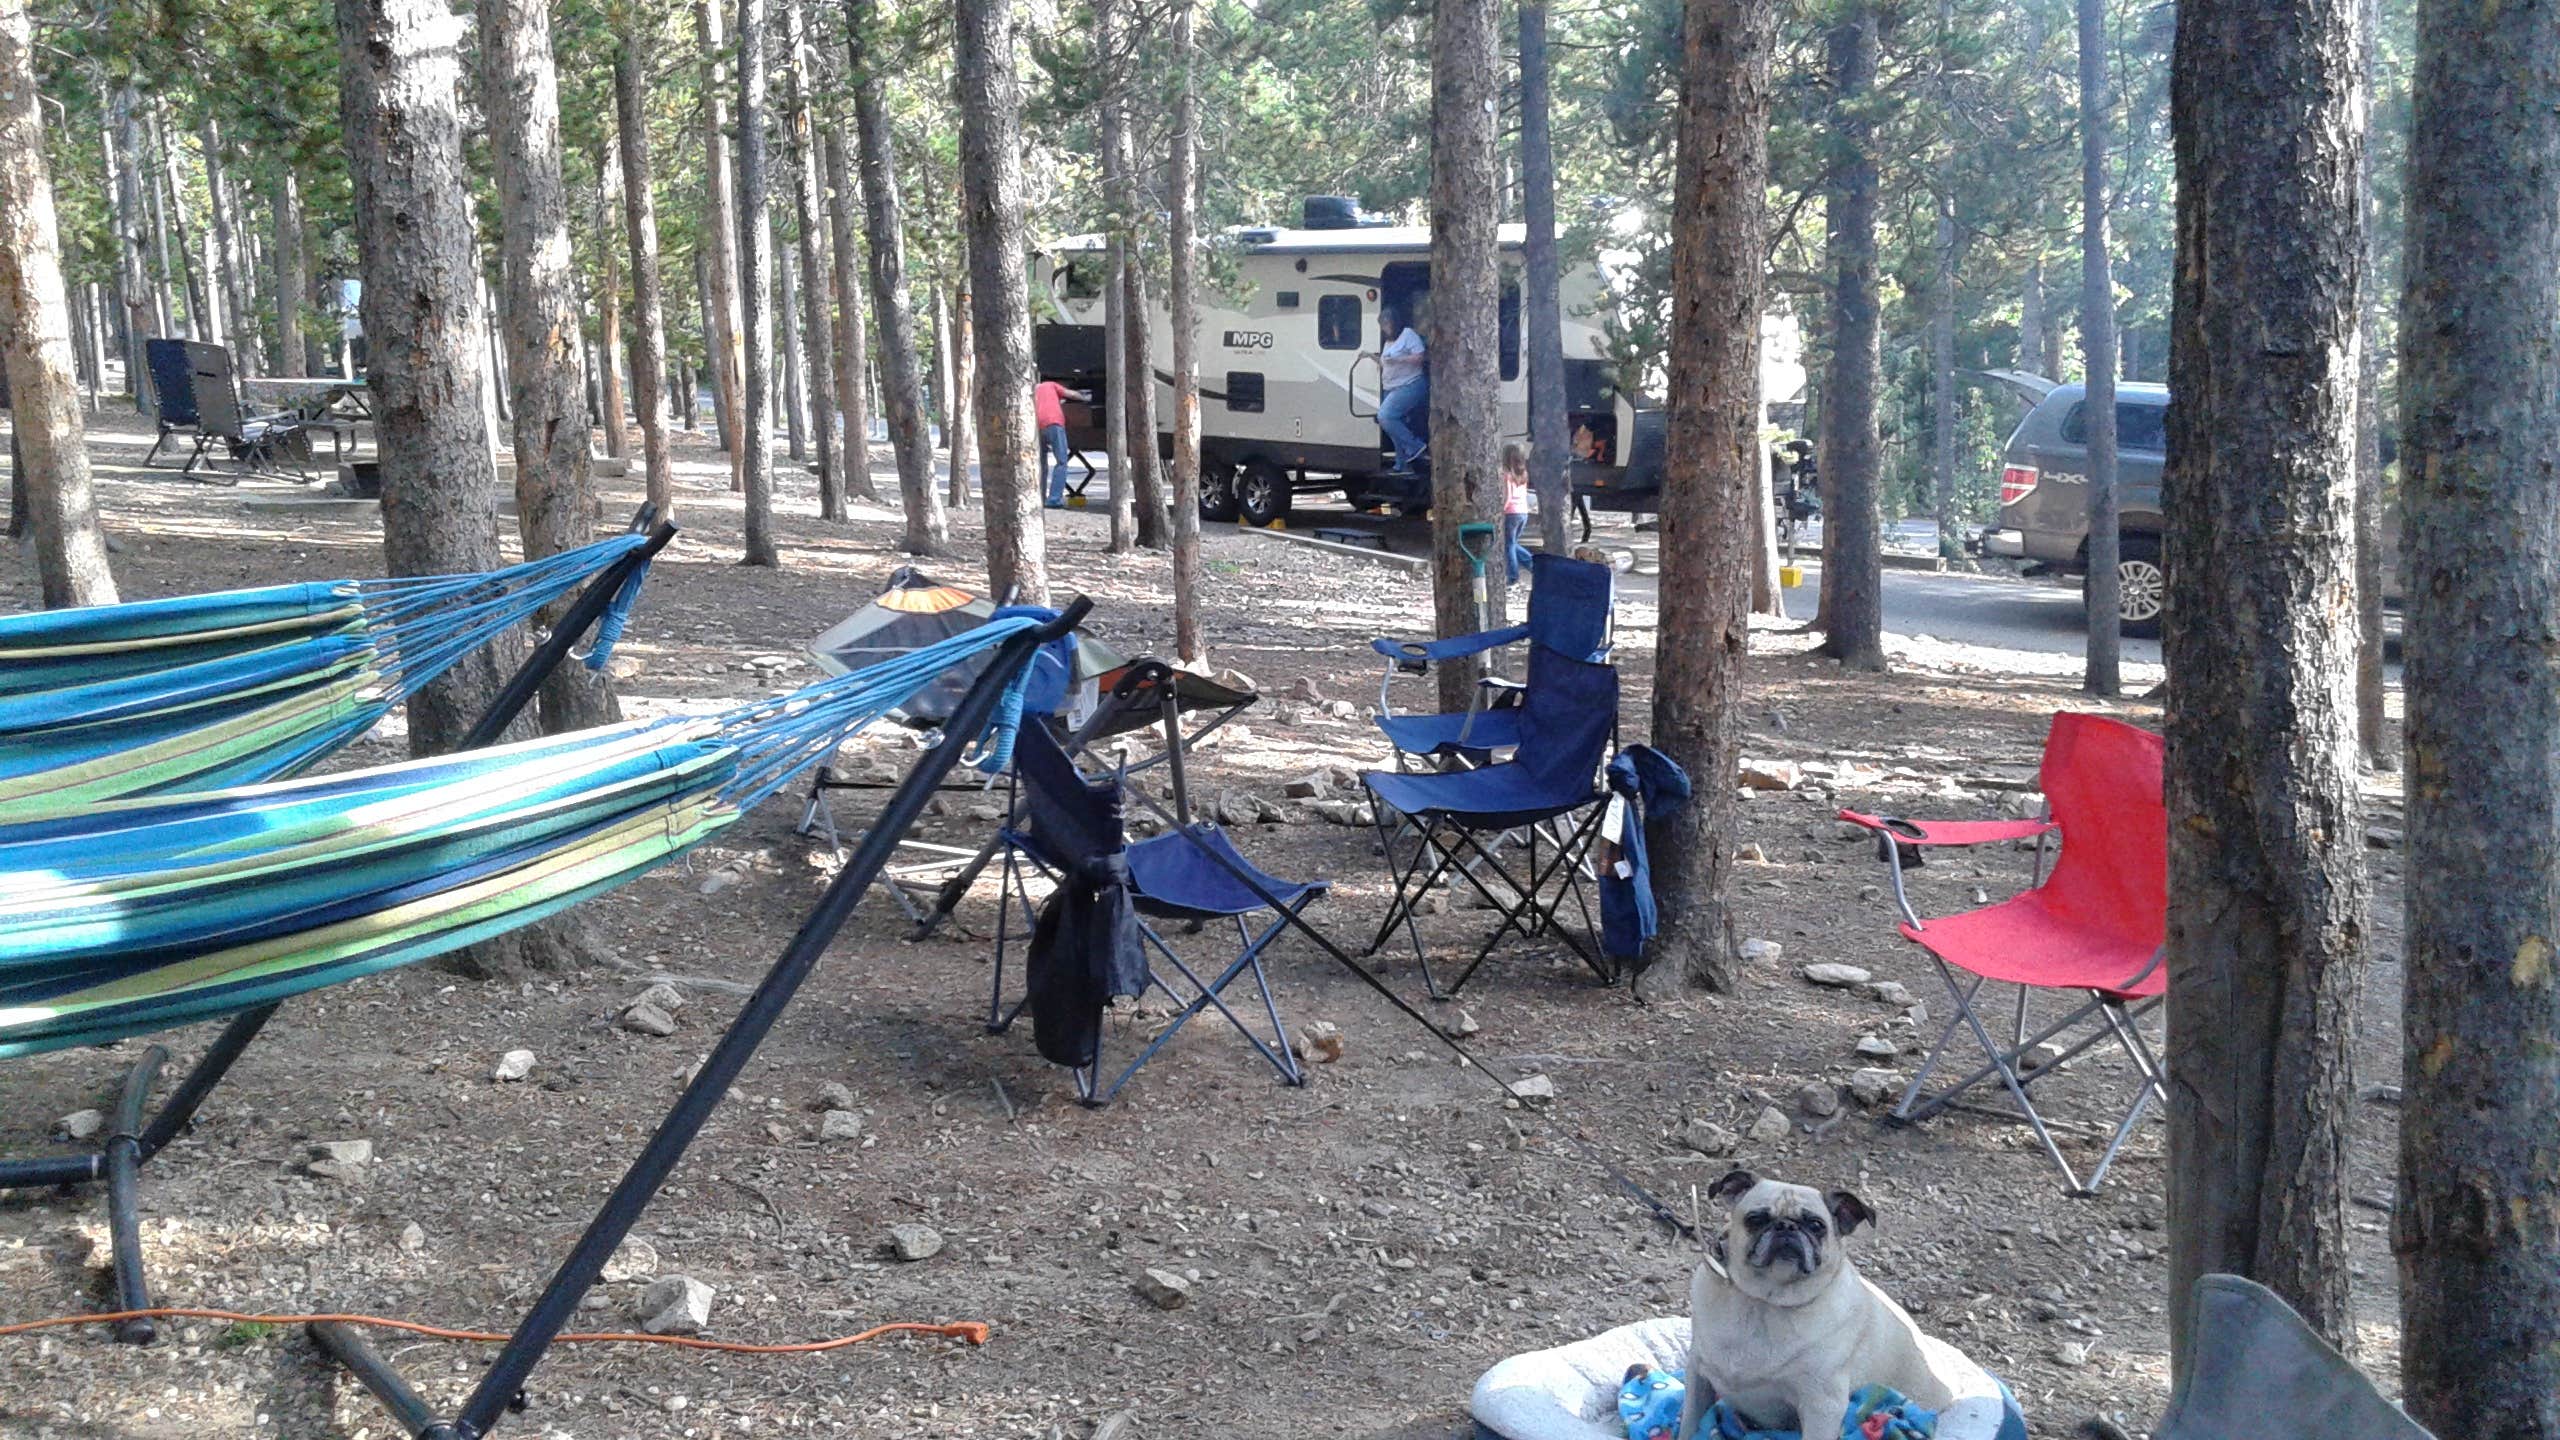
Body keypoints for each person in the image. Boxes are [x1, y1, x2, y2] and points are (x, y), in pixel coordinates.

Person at [1376, 300, 1430, 474]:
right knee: (1394, 426)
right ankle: (1402, 465)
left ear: (1395, 322)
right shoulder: (1388, 342)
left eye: (1387, 324)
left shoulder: (1408, 334)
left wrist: (1399, 360)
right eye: (1382, 325)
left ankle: (1415, 446)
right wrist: (1371, 357)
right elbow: (1386, 363)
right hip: (1391, 387)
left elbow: (1420, 357)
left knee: (1385, 416)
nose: (1385, 328)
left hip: (1409, 384)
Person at [1035, 378, 1092, 507]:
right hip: (1054, 424)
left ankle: (1040, 497)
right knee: (1061, 462)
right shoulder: (1051, 385)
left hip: (1038, 426)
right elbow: (1071, 394)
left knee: (1041, 463)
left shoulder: (1034, 389)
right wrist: (1086, 398)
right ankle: (1054, 499)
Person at [1500, 441, 1534, 586]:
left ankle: (1513, 576)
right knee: (1512, 544)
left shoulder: (1507, 475)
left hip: (1511, 513)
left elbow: (1508, 496)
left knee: (1508, 545)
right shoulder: (1524, 474)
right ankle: (1534, 565)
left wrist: (1502, 510)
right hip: (1523, 512)